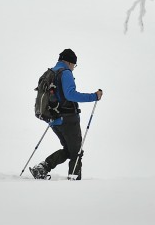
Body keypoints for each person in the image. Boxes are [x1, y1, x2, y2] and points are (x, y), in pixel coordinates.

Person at [30, 48, 102, 180]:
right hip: (68, 119)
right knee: (76, 152)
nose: (74, 67)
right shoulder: (65, 73)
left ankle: (42, 168)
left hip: (54, 120)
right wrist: (94, 96)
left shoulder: (51, 72)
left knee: (69, 150)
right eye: (74, 64)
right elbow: (70, 95)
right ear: (69, 62)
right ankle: (74, 182)